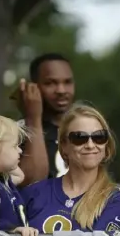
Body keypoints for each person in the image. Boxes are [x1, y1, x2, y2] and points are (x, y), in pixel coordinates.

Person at [20, 103, 120, 236]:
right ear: (64, 145)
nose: (90, 144)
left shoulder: (117, 201)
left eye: (99, 137)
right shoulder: (33, 193)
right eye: (79, 138)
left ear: (106, 145)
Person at [13, 53, 75, 184]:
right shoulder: (15, 133)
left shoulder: (84, 130)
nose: (61, 90)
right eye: (50, 83)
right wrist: (33, 120)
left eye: (67, 82)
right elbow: (33, 183)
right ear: (33, 87)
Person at [0, 116, 39, 236]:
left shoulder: (5, 181)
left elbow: (19, 175)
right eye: (15, 146)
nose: (20, 151)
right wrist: (12, 230)